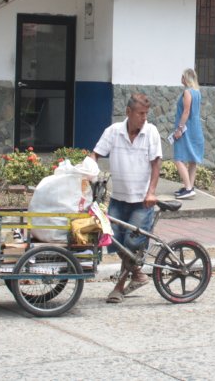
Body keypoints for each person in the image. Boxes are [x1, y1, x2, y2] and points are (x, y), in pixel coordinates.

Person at [88, 92, 161, 303]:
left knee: (131, 243)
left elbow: (156, 164)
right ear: (128, 112)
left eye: (146, 114)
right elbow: (96, 154)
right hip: (119, 198)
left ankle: (118, 287)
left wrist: (152, 192)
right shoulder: (113, 132)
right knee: (113, 241)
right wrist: (87, 169)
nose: (143, 118)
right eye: (140, 114)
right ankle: (138, 274)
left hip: (142, 200)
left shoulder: (151, 132)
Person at [171, 68, 205, 200]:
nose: (181, 78)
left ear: (186, 78)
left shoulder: (187, 92)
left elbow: (186, 112)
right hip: (196, 129)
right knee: (193, 160)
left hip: (187, 129)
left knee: (178, 158)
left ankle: (189, 188)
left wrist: (179, 129)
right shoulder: (197, 92)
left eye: (182, 76)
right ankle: (189, 186)